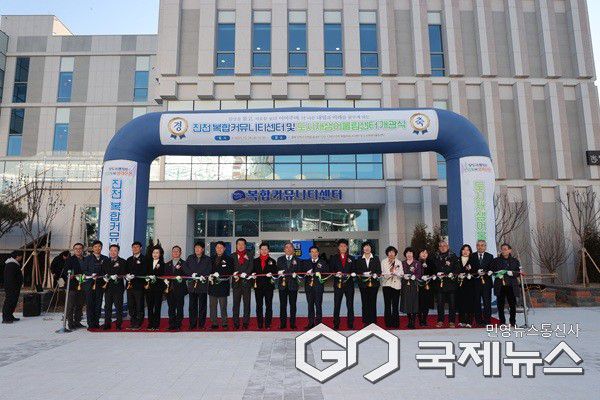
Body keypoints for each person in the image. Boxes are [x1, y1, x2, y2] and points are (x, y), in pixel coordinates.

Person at [490, 243, 521, 327]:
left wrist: (513, 273)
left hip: (511, 285)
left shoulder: (515, 260)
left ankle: (512, 322)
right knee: (500, 305)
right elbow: (492, 271)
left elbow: (518, 272)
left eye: (505, 249)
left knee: (512, 305)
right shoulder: (496, 260)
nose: (503, 251)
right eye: (502, 249)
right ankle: (502, 322)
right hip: (500, 285)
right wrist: (497, 274)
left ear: (510, 250)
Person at [329, 239, 356, 330]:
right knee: (337, 304)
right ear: (338, 247)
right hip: (338, 284)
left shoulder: (352, 258)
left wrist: (353, 273)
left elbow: (354, 269)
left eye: (344, 246)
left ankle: (350, 323)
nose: (343, 248)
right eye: (341, 246)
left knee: (350, 304)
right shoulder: (334, 258)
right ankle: (336, 323)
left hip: (349, 284)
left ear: (347, 247)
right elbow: (331, 270)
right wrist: (335, 273)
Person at [184, 241, 211, 330]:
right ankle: (192, 324)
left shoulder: (207, 259)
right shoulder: (190, 258)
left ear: (202, 249)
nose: (197, 249)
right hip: (192, 285)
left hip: (202, 285)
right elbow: (185, 268)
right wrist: (191, 274)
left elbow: (209, 269)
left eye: (199, 248)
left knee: (202, 306)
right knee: (192, 306)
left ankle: (201, 325)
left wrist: (200, 275)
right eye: (196, 248)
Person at [82, 240, 108, 329]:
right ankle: (90, 323)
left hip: (100, 284)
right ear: (92, 248)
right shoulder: (87, 258)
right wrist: (90, 275)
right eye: (95, 246)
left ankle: (96, 322)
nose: (97, 248)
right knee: (90, 304)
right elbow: (84, 270)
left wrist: (105, 276)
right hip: (89, 284)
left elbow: (106, 270)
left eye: (99, 246)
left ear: (101, 248)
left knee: (98, 303)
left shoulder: (105, 258)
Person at [433, 241, 459, 328]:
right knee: (440, 304)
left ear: (447, 246)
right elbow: (432, 268)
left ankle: (452, 321)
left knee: (452, 304)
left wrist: (453, 273)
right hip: (440, 284)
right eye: (440, 246)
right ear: (438, 248)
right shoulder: (435, 256)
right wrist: (436, 273)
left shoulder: (453, 256)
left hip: (451, 284)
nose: (442, 247)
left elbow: (457, 268)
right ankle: (440, 320)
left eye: (444, 246)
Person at [252, 242, 277, 330]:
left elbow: (275, 274)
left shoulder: (272, 261)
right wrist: (253, 274)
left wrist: (272, 274)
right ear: (259, 250)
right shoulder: (255, 261)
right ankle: (259, 323)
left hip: (269, 287)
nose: (264, 251)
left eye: (265, 249)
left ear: (268, 250)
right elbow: (252, 271)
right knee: (259, 305)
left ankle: (267, 324)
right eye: (262, 249)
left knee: (268, 305)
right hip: (258, 287)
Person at [208, 241, 234, 329]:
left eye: (221, 247)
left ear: (224, 249)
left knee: (223, 306)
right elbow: (208, 269)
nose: (219, 249)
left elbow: (230, 271)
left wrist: (219, 274)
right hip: (212, 285)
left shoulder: (229, 259)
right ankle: (214, 323)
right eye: (217, 247)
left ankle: (224, 322)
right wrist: (210, 275)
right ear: (215, 248)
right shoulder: (210, 258)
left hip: (223, 285)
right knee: (212, 306)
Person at [355, 241, 381, 326]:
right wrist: (364, 273)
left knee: (372, 302)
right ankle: (366, 321)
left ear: (371, 248)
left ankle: (373, 321)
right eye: (365, 246)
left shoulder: (376, 258)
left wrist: (375, 274)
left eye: (368, 246)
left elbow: (379, 271)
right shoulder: (359, 259)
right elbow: (357, 271)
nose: (367, 248)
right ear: (363, 248)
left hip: (374, 284)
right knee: (365, 302)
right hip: (363, 284)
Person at [276, 242, 301, 330]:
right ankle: (283, 324)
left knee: (293, 305)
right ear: (284, 249)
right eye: (287, 247)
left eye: (291, 247)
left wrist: (296, 273)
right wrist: (278, 273)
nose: (289, 249)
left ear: (293, 249)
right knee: (283, 305)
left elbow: (300, 271)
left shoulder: (298, 260)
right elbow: (277, 270)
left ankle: (292, 323)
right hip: (282, 285)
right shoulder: (280, 259)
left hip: (293, 285)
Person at [303, 245, 328, 329]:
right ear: (309, 253)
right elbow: (302, 274)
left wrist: (321, 276)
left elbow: (327, 275)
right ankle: (310, 323)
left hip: (318, 287)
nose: (314, 253)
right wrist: (306, 274)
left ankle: (319, 324)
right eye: (312, 252)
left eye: (315, 252)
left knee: (318, 305)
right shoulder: (305, 262)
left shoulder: (323, 262)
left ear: (318, 253)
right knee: (310, 305)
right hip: (309, 287)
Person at [469, 240, 494, 326]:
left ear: (485, 247)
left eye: (482, 245)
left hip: (486, 283)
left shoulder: (490, 256)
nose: (480, 247)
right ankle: (478, 321)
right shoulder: (472, 256)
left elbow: (492, 268)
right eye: (478, 245)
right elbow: (469, 268)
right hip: (475, 283)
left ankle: (487, 320)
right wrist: (476, 271)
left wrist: (486, 271)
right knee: (477, 302)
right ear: (476, 246)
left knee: (487, 302)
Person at [102, 244, 127, 330]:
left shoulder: (123, 262)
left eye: (115, 250)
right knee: (107, 306)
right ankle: (107, 324)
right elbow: (103, 272)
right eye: (111, 250)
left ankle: (118, 325)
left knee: (118, 307)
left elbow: (124, 273)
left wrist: (116, 275)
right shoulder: (105, 261)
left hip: (118, 287)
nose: (113, 252)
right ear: (109, 251)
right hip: (108, 287)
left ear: (118, 252)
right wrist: (105, 276)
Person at [232, 238, 253, 330]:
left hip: (246, 283)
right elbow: (230, 267)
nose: (240, 246)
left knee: (246, 304)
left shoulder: (250, 254)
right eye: (239, 244)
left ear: (245, 245)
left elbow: (251, 266)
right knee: (235, 304)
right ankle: (236, 322)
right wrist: (234, 273)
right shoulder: (232, 256)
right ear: (236, 245)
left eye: (242, 244)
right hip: (236, 283)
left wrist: (246, 273)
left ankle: (245, 322)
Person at [165, 245, 187, 331]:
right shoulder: (167, 264)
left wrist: (181, 278)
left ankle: (178, 324)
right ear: (172, 253)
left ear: (180, 253)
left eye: (177, 251)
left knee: (179, 307)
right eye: (174, 251)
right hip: (169, 289)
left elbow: (187, 275)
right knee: (171, 308)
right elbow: (165, 276)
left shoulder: (184, 263)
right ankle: (171, 324)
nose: (175, 252)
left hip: (180, 289)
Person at [125, 241, 146, 330]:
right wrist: (126, 276)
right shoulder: (129, 259)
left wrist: (135, 275)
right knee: (131, 305)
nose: (135, 248)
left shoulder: (144, 259)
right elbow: (125, 271)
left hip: (139, 286)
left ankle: (139, 323)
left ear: (141, 248)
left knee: (139, 305)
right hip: (129, 286)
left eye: (137, 247)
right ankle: (132, 322)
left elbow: (145, 271)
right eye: (133, 247)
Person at [64, 243, 86, 329]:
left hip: (82, 284)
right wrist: (71, 275)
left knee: (80, 305)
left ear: (82, 250)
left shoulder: (85, 259)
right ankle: (70, 323)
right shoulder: (70, 259)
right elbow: (66, 271)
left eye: (80, 248)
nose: (78, 250)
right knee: (71, 305)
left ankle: (77, 322)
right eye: (76, 248)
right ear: (74, 250)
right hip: (72, 285)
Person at [400, 247, 423, 329]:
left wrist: (415, 276)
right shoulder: (402, 263)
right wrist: (403, 276)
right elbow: (399, 273)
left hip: (414, 285)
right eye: (407, 253)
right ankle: (409, 320)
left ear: (413, 254)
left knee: (414, 302)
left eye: (410, 253)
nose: (409, 254)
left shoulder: (417, 263)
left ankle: (413, 321)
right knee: (406, 302)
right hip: (405, 285)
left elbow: (420, 273)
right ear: (405, 254)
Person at [146, 245, 166, 331]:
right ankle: (150, 323)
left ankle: (156, 324)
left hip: (158, 288)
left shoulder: (163, 264)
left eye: (157, 253)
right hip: (149, 288)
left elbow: (163, 275)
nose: (155, 254)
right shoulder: (147, 263)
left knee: (157, 306)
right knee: (150, 307)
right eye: (154, 252)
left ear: (160, 254)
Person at [381, 246, 401, 329]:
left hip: (396, 285)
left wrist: (396, 273)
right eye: (389, 252)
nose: (391, 253)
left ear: (395, 253)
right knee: (387, 304)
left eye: (393, 252)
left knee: (395, 305)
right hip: (386, 285)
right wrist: (390, 273)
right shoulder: (383, 261)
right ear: (387, 253)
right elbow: (382, 273)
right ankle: (388, 323)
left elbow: (401, 273)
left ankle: (396, 323)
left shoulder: (399, 262)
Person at [457, 244, 476, 328]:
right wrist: (458, 275)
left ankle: (469, 321)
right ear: (461, 251)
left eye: (467, 250)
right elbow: (454, 270)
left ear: (470, 252)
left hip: (470, 284)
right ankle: (462, 320)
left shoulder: (473, 260)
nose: (465, 251)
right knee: (461, 302)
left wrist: (470, 274)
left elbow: (476, 271)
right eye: (464, 249)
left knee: (470, 303)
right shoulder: (457, 260)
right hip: (460, 284)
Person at [2, 251, 24, 323]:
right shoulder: (11, 264)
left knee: (13, 301)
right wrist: (13, 286)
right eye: (20, 256)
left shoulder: (14, 264)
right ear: (17, 256)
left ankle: (10, 315)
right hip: (11, 287)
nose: (21, 257)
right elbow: (10, 277)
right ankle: (6, 318)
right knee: (9, 301)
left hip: (14, 286)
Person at [417, 249, 435, 327]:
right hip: (418, 286)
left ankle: (424, 320)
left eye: (426, 253)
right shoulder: (416, 262)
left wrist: (431, 276)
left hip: (428, 286)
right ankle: (420, 320)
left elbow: (434, 272)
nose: (424, 254)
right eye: (422, 252)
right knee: (419, 304)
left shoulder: (430, 262)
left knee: (426, 304)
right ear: (419, 253)